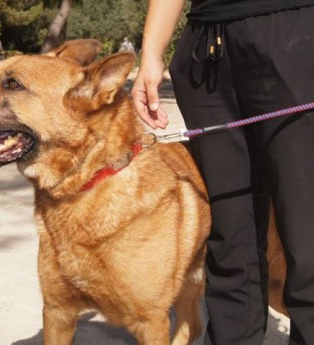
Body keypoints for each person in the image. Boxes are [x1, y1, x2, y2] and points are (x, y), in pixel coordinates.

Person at [131, 1, 314, 344]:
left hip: (295, 31)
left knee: (307, 237)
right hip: (206, 48)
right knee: (230, 241)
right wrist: (151, 53)